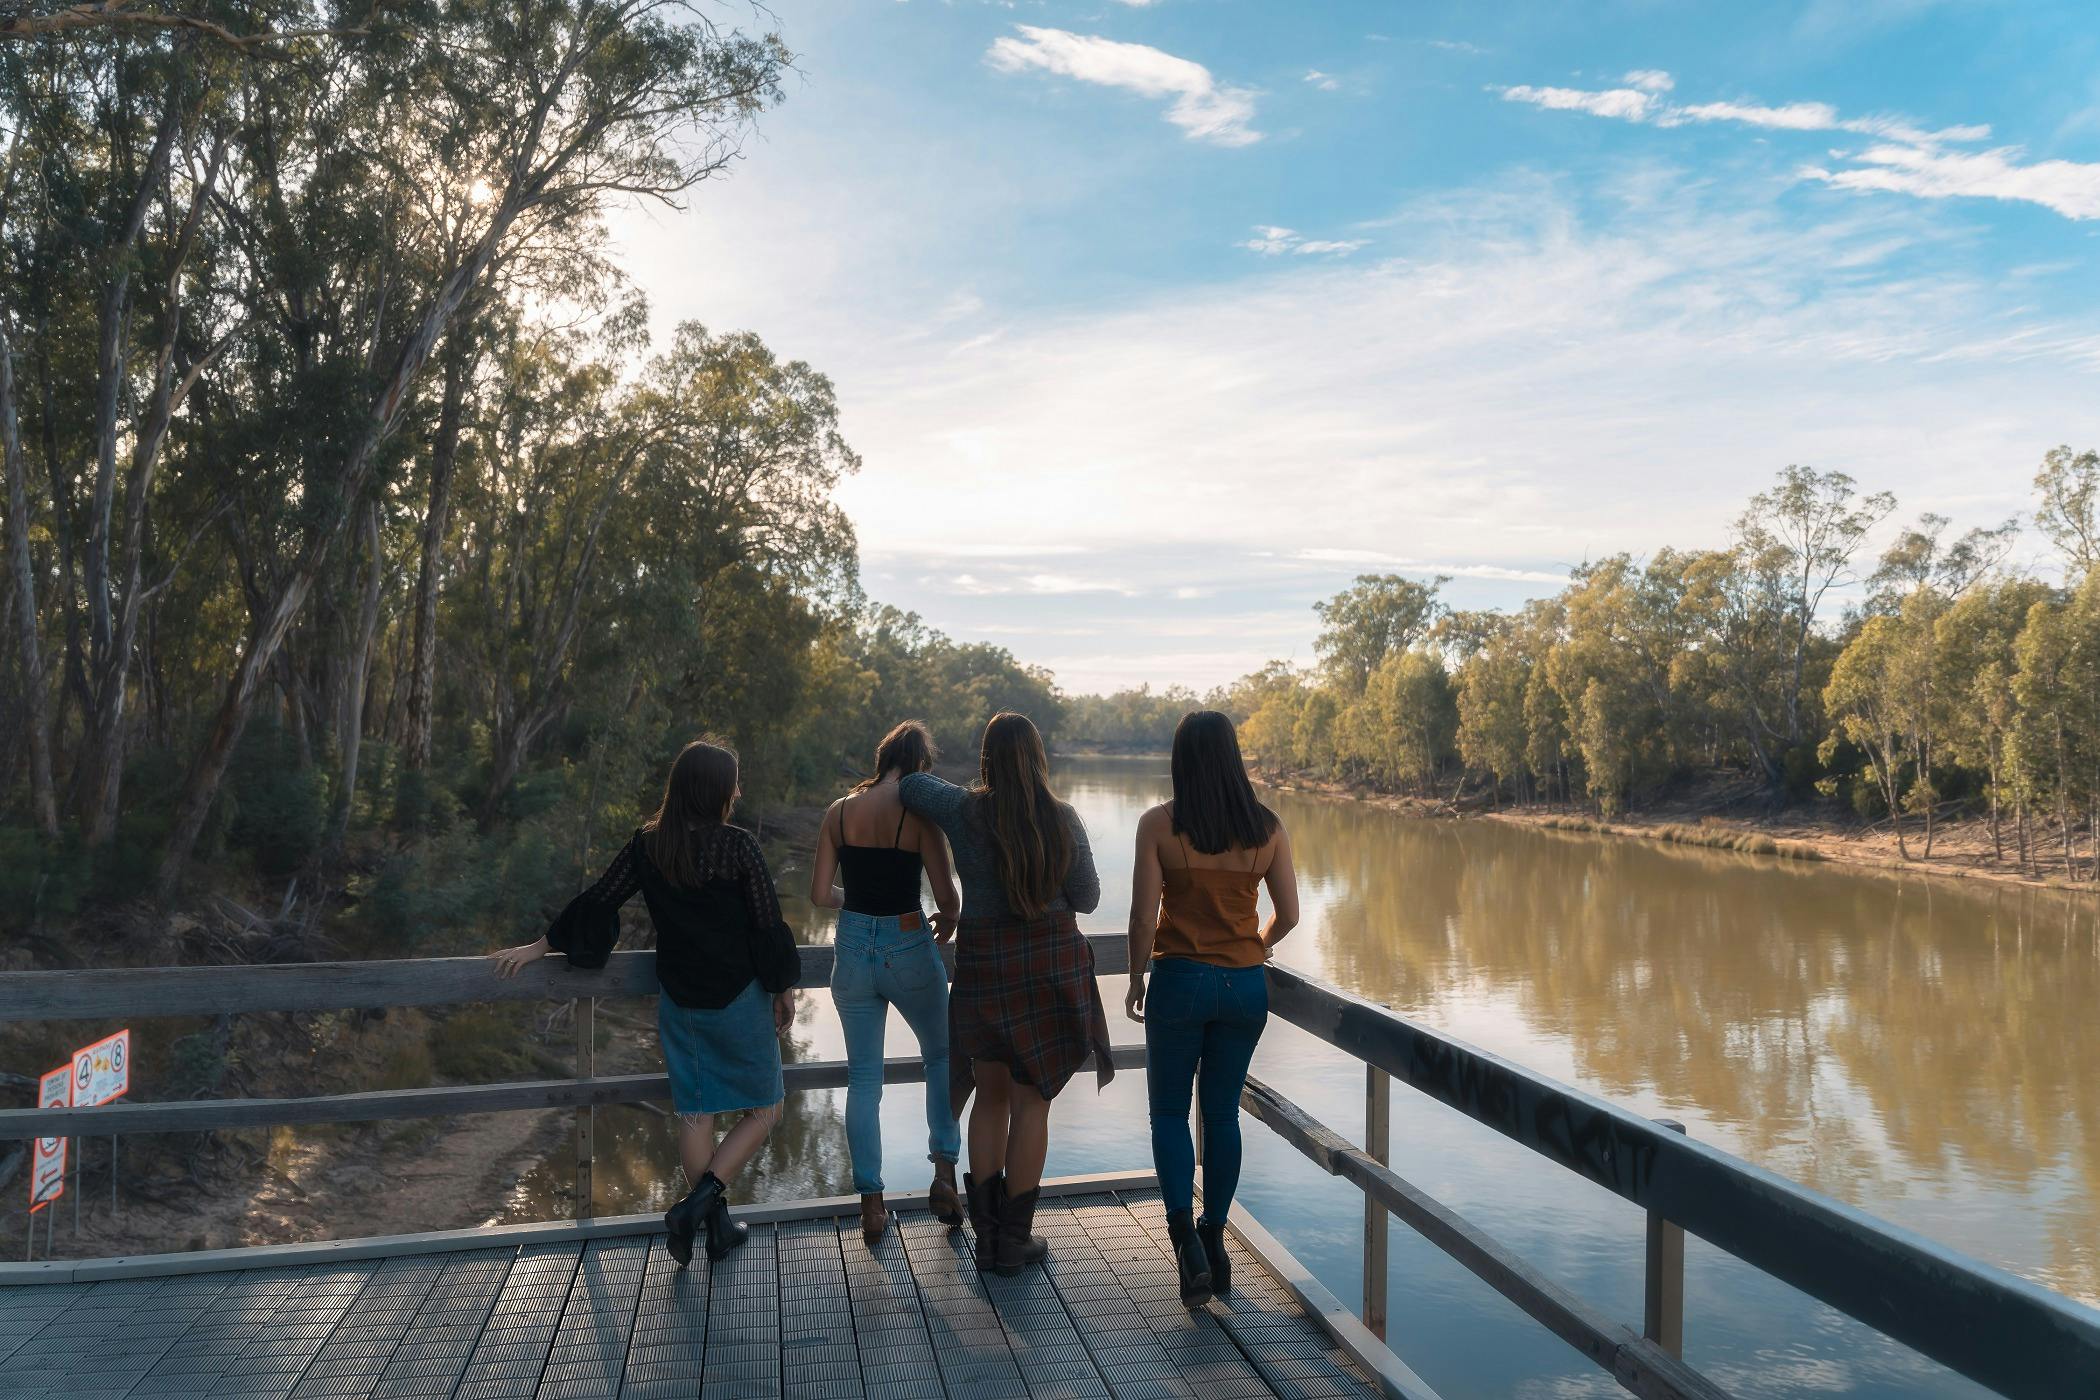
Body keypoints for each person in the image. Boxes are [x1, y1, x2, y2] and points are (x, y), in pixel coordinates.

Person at [490, 738, 801, 1269]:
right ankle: (697, 1208)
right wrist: (785, 988)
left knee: (696, 1112)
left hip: (680, 1001)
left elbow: (600, 899)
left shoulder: (649, 845)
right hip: (739, 1000)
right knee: (766, 1107)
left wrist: (542, 945)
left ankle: (713, 1225)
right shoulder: (739, 846)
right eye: (733, 784)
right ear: (718, 792)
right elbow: (767, 925)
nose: (737, 791)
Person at [899, 711, 1111, 1276]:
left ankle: (989, 1238)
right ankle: (1014, 1241)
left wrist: (908, 752)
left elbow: (911, 784)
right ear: (1038, 758)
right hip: (1046, 967)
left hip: (986, 966)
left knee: (990, 1098)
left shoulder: (966, 810)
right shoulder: (1061, 818)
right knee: (1031, 1103)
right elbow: (1087, 899)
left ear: (987, 761)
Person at [1125, 710, 1299, 1306]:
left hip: (1179, 982)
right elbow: (1291, 915)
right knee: (1223, 1115)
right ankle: (1215, 1236)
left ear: (1180, 761)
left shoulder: (1158, 826)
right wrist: (1253, 946)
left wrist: (1133, 978)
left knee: (1170, 1114)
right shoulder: (1267, 828)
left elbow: (1143, 917)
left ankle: (1184, 1241)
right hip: (1244, 988)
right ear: (1233, 758)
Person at [808, 720, 966, 1246]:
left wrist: (851, 901)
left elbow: (817, 893)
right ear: (921, 764)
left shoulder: (839, 811)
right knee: (942, 1056)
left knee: (863, 1081)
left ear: (882, 757)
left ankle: (872, 1206)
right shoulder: (920, 816)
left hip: (852, 947)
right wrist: (947, 918)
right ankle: (944, 1174)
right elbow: (948, 899)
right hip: (906, 942)